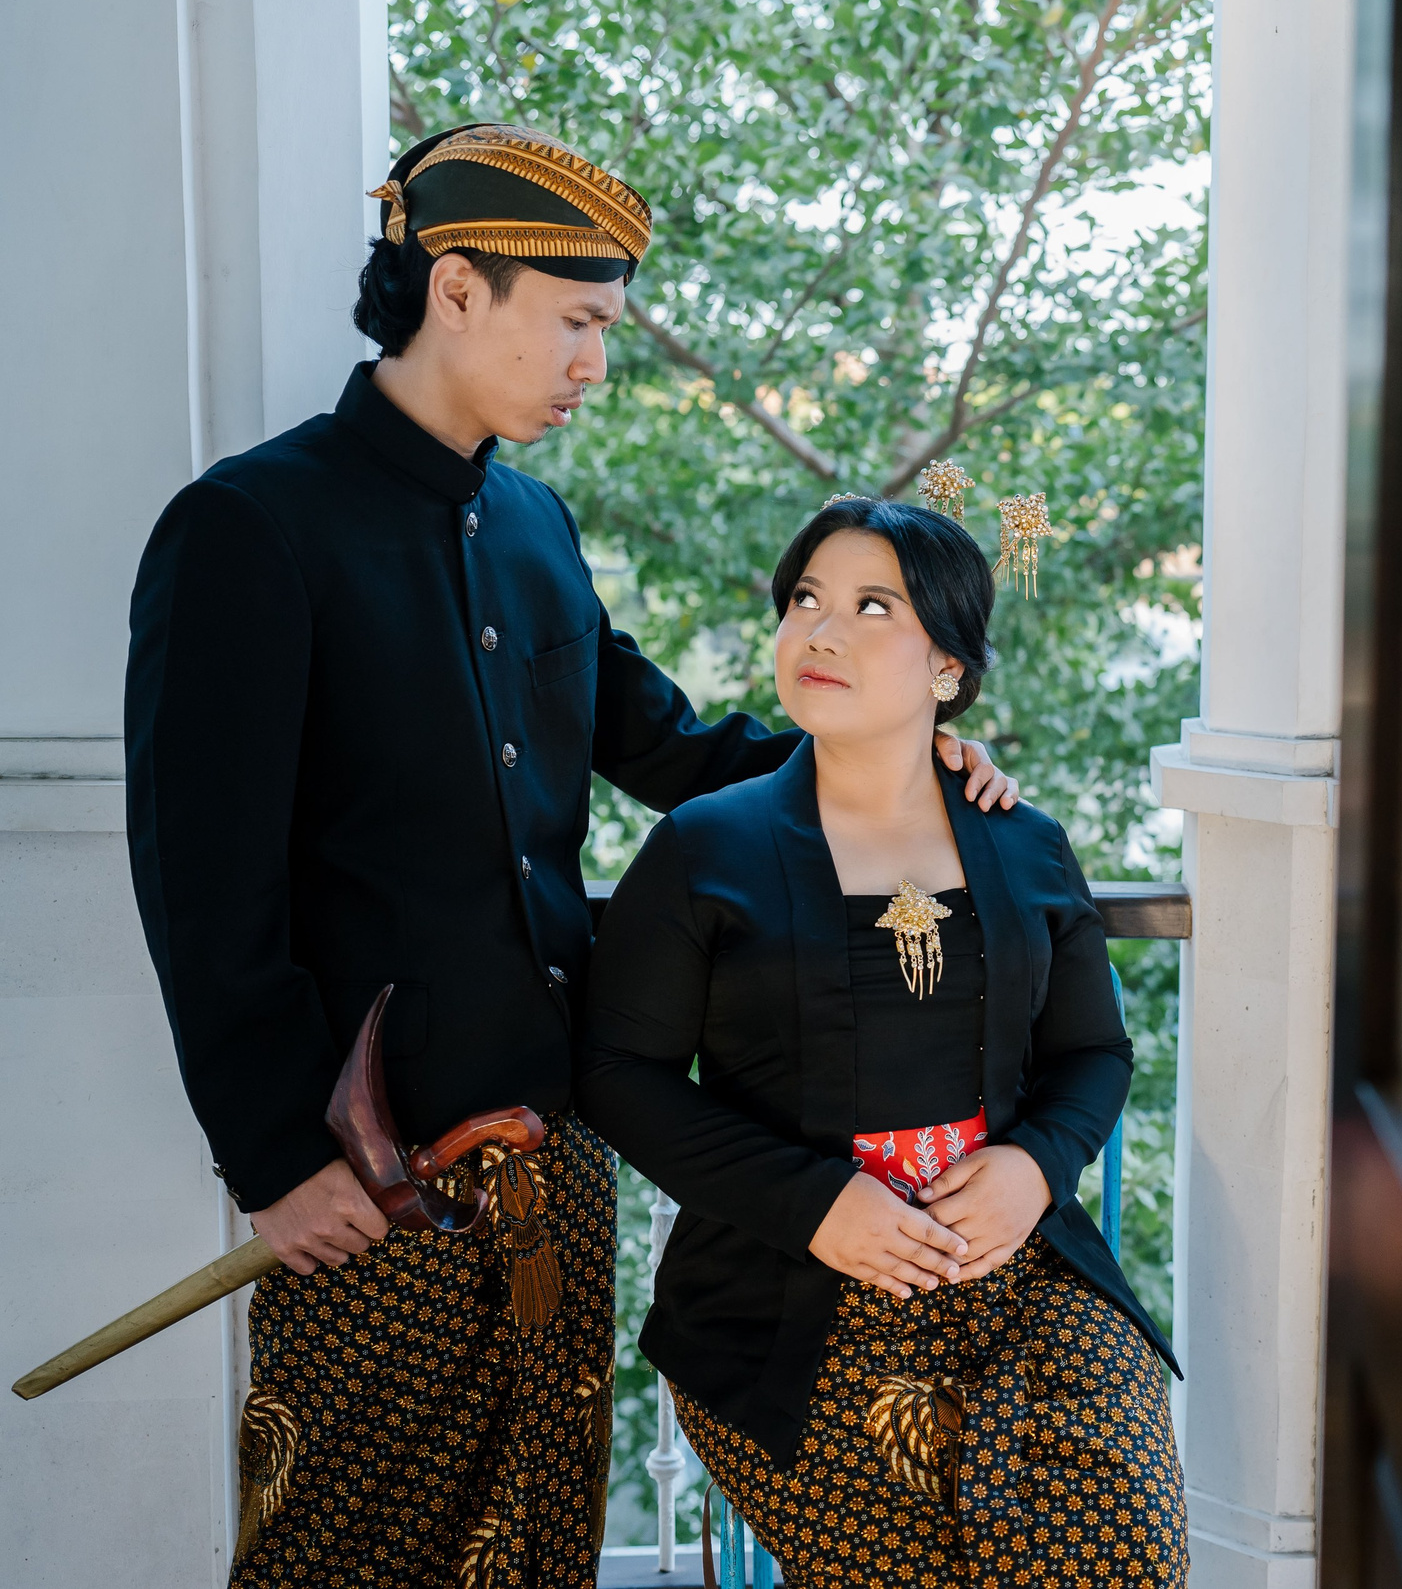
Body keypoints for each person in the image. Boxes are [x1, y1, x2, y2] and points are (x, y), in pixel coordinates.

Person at [123, 125, 1017, 1589]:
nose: (596, 362)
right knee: (346, 1545)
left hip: (561, 1145)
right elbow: (200, 873)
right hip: (373, 1166)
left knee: (538, 1539)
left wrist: (903, 756)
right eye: (580, 322)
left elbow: (662, 743)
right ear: (457, 286)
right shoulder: (249, 528)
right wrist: (278, 1153)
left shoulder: (535, 522)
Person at [578, 497, 1185, 1587]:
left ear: (948, 669)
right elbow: (620, 1075)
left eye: (872, 607)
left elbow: (1095, 1055)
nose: (819, 632)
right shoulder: (704, 848)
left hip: (1020, 1277)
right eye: (803, 601)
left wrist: (1035, 1170)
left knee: (1120, 1547)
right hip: (789, 1299)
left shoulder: (1025, 844)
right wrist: (815, 1203)